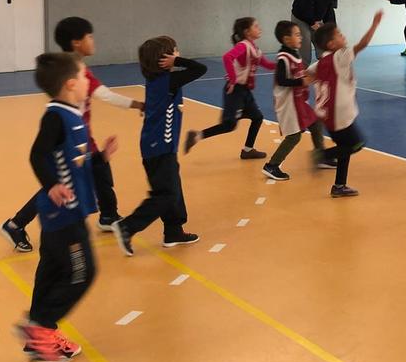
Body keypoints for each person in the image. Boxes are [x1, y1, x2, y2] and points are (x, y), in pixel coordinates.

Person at [0, 17, 142, 253]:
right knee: (64, 183)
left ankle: (108, 214)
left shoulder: (70, 67)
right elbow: (106, 95)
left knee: (96, 172)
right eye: (90, 37)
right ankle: (16, 223)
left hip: (81, 135)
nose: (93, 41)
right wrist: (139, 104)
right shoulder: (75, 71)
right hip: (71, 138)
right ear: (77, 42)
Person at [16, 52, 117, 361]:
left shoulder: (72, 115)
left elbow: (76, 160)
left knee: (51, 270)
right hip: (63, 213)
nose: (89, 81)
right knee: (82, 272)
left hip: (64, 213)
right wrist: (51, 185)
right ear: (71, 84)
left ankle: (39, 333)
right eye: (85, 76)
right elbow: (37, 154)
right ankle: (42, 329)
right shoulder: (56, 116)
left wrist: (100, 159)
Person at [112, 38, 205, 256]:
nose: (178, 54)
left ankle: (173, 231)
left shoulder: (158, 80)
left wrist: (174, 61)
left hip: (160, 147)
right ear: (165, 59)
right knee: (166, 194)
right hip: (159, 148)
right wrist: (178, 61)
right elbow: (200, 68)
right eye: (174, 52)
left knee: (173, 189)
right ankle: (127, 227)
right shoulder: (168, 81)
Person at [309, 11, 384, 198]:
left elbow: (307, 75)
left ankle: (339, 186)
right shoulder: (339, 56)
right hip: (339, 115)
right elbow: (361, 45)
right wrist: (375, 24)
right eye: (339, 35)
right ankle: (322, 155)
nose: (343, 36)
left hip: (327, 115)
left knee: (344, 149)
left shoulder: (321, 62)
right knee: (357, 143)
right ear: (331, 44)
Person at [184, 18, 275, 159]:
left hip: (245, 91)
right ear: (247, 32)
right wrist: (232, 80)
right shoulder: (243, 46)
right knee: (229, 125)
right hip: (235, 90)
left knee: (257, 117)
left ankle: (248, 150)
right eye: (256, 26)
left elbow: (268, 65)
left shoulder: (255, 49)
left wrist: (284, 66)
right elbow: (227, 57)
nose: (260, 28)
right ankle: (197, 135)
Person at [261, 21, 334, 181]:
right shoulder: (283, 58)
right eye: (297, 34)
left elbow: (299, 74)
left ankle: (321, 157)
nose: (301, 37)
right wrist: (301, 81)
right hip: (289, 104)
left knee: (316, 123)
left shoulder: (294, 54)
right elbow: (281, 80)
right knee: (294, 136)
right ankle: (272, 165)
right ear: (286, 39)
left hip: (299, 101)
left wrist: (310, 75)